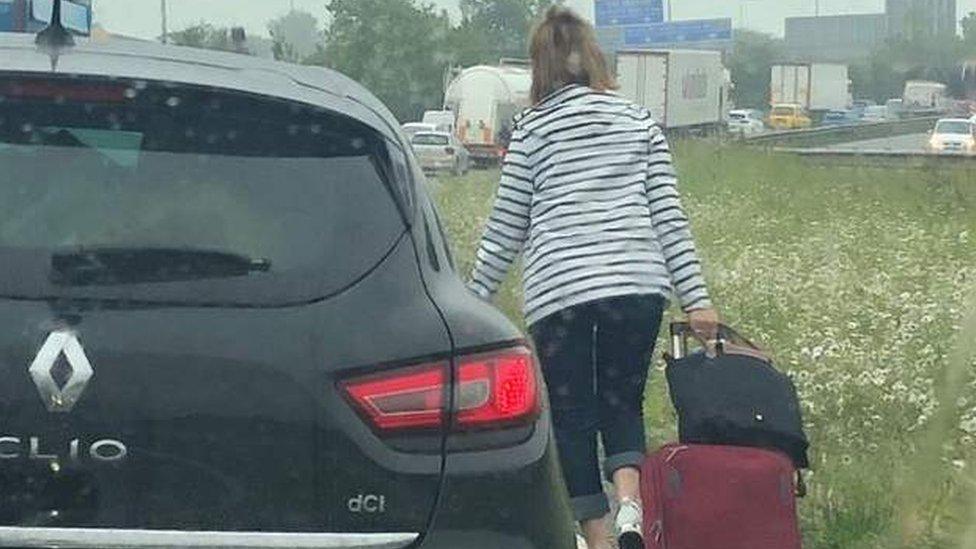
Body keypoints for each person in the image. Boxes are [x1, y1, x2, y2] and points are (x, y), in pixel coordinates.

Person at [467, 6, 719, 549]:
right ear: (594, 59)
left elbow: (506, 226)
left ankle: (599, 538)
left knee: (573, 413)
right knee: (622, 401)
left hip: (562, 293)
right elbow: (667, 216)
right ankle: (630, 505)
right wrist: (697, 300)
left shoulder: (533, 131)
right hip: (636, 285)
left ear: (541, 66)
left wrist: (469, 304)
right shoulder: (637, 120)